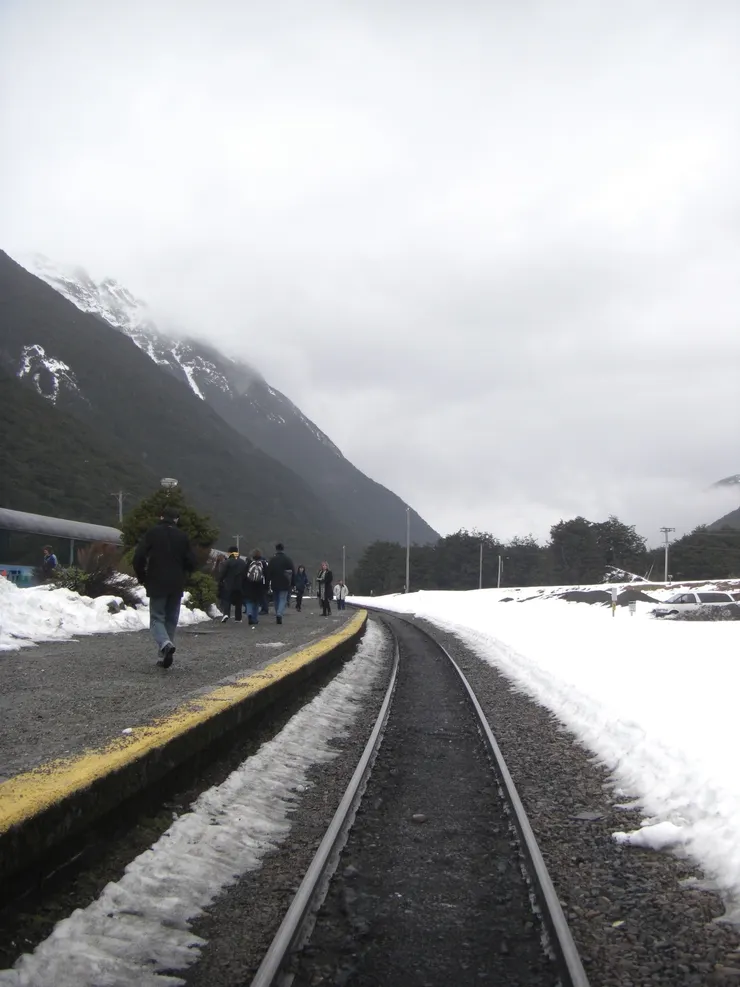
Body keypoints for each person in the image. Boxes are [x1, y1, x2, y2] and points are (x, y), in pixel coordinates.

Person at [133, 505, 196, 668]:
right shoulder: (183, 536)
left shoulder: (152, 533)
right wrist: (185, 574)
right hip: (176, 583)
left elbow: (139, 556)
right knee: (171, 619)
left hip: (156, 580)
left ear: (161, 517)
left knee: (156, 618)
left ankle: (165, 644)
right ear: (176, 519)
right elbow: (192, 562)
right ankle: (164, 653)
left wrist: (142, 576)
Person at [267, 542, 295, 625]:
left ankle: (277, 613)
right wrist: (293, 583)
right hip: (285, 582)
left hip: (275, 582)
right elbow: (293, 571)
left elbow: (268, 572)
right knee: (283, 599)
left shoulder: (272, 560)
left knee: (276, 599)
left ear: (276, 549)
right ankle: (279, 614)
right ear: (283, 549)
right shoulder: (288, 559)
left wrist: (267, 582)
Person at [218, 546, 246, 623]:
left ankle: (226, 614)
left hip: (228, 584)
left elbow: (222, 573)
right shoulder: (242, 562)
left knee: (227, 600)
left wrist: (220, 581)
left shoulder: (227, 562)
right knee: (238, 602)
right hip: (240, 585)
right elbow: (245, 574)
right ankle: (238, 618)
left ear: (230, 553)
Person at [243, 548, 268, 627]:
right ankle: (254, 619)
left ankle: (249, 614)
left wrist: (243, 585)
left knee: (249, 601)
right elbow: (267, 575)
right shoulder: (263, 564)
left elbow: (244, 575)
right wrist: (266, 586)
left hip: (249, 585)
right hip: (259, 586)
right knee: (256, 603)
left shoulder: (249, 563)